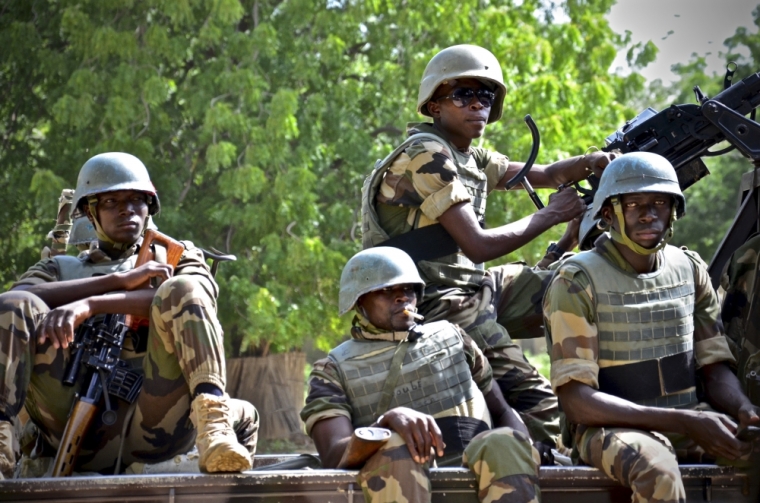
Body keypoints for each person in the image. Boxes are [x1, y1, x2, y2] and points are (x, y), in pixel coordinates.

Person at [361, 43, 615, 447]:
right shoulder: (426, 155)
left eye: (486, 96)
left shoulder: (468, 155)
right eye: (463, 94)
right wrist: (550, 215)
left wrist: (595, 161)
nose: (477, 104)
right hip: (435, 302)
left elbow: (545, 173)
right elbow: (477, 246)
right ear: (434, 107)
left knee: (570, 285)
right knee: (539, 402)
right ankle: (543, 470)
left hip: (472, 287)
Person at [0, 152, 257, 478]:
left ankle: (215, 426)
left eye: (137, 199)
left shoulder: (177, 255)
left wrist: (93, 306)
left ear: (150, 206)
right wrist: (116, 282)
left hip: (155, 420)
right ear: (89, 213)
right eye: (111, 202)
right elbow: (12, 302)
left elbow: (199, 297)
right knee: (15, 307)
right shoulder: (59, 269)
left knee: (182, 289)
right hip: (68, 417)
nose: (126, 209)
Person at [544, 151, 760, 501]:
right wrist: (685, 423)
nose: (647, 214)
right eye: (632, 205)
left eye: (659, 202)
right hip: (608, 428)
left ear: (673, 209)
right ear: (607, 214)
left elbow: (715, 370)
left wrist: (742, 409)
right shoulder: (576, 280)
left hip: (688, 416)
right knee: (657, 470)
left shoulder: (689, 268)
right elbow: (577, 402)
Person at [301, 247, 540, 503]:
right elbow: (333, 455)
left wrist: (524, 447)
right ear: (359, 301)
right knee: (394, 448)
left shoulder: (454, 337)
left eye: (409, 289)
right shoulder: (332, 370)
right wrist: (386, 423)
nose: (402, 298)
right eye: (386, 290)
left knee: (503, 442)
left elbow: (503, 412)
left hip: (476, 481)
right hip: (394, 486)